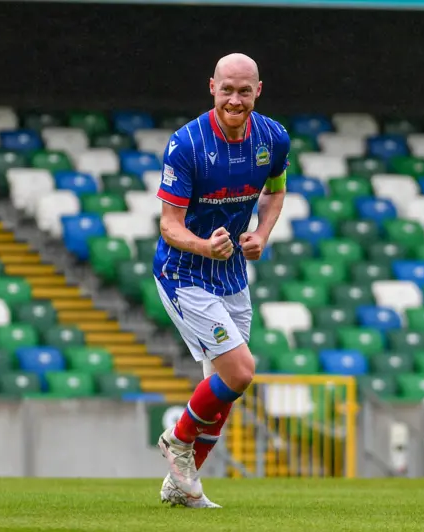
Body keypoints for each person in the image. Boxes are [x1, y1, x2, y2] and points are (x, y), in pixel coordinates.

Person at [152, 52, 290, 508]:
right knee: (241, 371)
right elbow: (169, 225)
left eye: (244, 90)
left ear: (258, 91)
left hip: (233, 275)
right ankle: (177, 440)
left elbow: (275, 190)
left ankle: (181, 487)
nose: (235, 99)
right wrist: (205, 246)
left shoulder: (274, 138)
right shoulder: (186, 144)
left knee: (223, 391)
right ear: (212, 86)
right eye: (227, 89)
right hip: (185, 272)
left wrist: (262, 235)